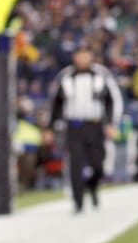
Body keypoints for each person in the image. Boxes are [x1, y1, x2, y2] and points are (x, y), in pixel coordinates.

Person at [48, 43, 124, 213]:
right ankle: (78, 201)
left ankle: (92, 186)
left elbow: (113, 100)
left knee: (99, 163)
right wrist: (50, 127)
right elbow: (55, 103)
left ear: (91, 56)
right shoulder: (66, 76)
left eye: (85, 54)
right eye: (79, 55)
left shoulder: (101, 74)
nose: (82, 59)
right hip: (74, 126)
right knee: (75, 163)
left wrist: (111, 123)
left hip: (95, 125)